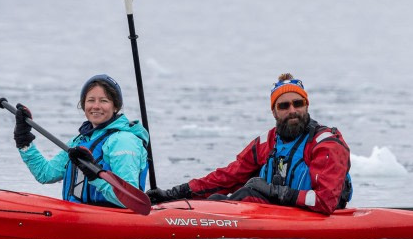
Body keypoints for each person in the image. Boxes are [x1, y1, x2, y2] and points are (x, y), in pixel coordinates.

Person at [147, 74, 352, 214]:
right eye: (284, 105)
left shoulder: (326, 143)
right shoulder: (267, 142)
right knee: (220, 196)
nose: (292, 110)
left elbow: (326, 202)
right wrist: (172, 194)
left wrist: (274, 192)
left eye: (298, 104)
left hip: (312, 223)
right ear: (274, 111)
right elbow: (225, 177)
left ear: (306, 105)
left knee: (248, 194)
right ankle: (170, 209)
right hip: (273, 219)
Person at [14, 74, 149, 208]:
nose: (96, 106)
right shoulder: (80, 141)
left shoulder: (123, 141)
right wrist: (24, 140)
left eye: (104, 101)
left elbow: (130, 200)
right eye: (91, 100)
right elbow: (45, 174)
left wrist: (94, 177)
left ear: (115, 107)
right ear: (83, 105)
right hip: (78, 215)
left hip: (111, 220)